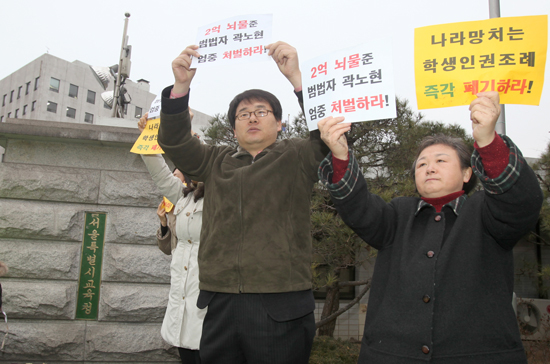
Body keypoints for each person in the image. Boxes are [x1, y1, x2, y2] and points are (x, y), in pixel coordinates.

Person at [317, 91, 542, 364]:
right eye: (422, 164)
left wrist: (488, 141)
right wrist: (341, 156)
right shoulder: (398, 214)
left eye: (441, 161)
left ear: (467, 173)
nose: (429, 168)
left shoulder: (487, 211)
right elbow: (359, 208)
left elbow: (522, 203)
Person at [157, 41, 334, 364]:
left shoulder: (297, 155)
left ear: (279, 123)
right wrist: (181, 86)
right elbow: (175, 143)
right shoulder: (216, 160)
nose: (252, 118)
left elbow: (326, 131)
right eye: (243, 114)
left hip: (281, 302)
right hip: (221, 300)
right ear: (234, 126)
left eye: (261, 112)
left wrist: (297, 78)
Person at [138, 112, 205, 364]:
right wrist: (149, 136)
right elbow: (159, 173)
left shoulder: (225, 197)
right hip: (181, 299)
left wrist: (181, 129)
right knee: (186, 354)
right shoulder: (183, 196)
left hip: (210, 304)